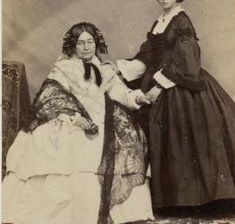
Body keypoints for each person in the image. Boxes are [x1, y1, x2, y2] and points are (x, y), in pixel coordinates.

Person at [2, 22, 155, 224]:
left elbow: (120, 93)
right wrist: (74, 117)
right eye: (81, 43)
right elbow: (51, 97)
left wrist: (137, 99)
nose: (86, 47)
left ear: (96, 43)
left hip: (103, 116)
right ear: (73, 46)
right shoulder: (63, 68)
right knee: (56, 142)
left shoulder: (105, 69)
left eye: (90, 42)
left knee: (123, 140)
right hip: (70, 117)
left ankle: (121, 212)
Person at [117, 0, 235, 213]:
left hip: (180, 84)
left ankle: (196, 201)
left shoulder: (182, 22)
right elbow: (149, 54)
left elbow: (187, 61)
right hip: (160, 78)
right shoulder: (160, 21)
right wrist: (123, 70)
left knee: (187, 138)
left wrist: (158, 86)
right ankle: (172, 201)